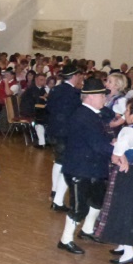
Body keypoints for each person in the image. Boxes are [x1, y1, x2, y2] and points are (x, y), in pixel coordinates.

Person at [56, 78, 113, 255]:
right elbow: (98, 144)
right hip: (79, 169)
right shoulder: (84, 116)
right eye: (102, 95)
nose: (105, 98)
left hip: (92, 167)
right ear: (89, 97)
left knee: (97, 200)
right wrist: (117, 151)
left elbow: (102, 132)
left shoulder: (92, 113)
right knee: (79, 207)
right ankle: (65, 240)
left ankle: (87, 230)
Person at [95, 98, 133, 264]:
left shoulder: (128, 131)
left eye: (127, 111)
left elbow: (115, 156)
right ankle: (122, 244)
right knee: (132, 208)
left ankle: (129, 252)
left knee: (123, 209)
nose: (125, 114)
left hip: (125, 174)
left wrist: (119, 155)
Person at [46, 64, 82, 212]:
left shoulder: (56, 89)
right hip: (66, 132)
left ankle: (54, 190)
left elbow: (49, 108)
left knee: (58, 161)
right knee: (65, 163)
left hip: (54, 130)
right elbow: (75, 114)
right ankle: (57, 199)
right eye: (79, 76)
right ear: (74, 76)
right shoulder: (73, 93)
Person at [20, 73, 49, 147]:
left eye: (44, 80)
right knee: (40, 120)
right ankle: (41, 141)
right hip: (29, 112)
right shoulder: (31, 89)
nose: (43, 81)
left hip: (38, 110)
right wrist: (43, 98)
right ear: (36, 80)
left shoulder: (42, 89)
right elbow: (34, 102)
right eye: (41, 80)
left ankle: (45, 139)